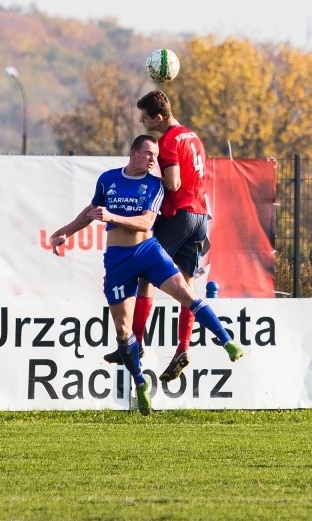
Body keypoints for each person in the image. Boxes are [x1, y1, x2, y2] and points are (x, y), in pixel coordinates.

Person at [50, 135, 242, 416]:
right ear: (134, 153)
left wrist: (113, 217)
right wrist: (66, 231)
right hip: (117, 260)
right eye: (149, 154)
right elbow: (92, 212)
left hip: (148, 251)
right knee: (122, 330)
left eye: (156, 155)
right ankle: (140, 384)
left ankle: (227, 341)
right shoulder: (107, 179)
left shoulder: (154, 184)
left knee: (187, 294)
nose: (154, 160)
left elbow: (146, 221)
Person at [104, 90, 242, 382]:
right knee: (186, 285)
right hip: (201, 216)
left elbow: (174, 182)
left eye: (145, 116)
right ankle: (182, 348)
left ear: (159, 117)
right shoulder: (192, 136)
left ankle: (136, 344)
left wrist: (152, 179)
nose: (143, 121)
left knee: (144, 275)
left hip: (179, 214)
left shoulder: (167, 141)